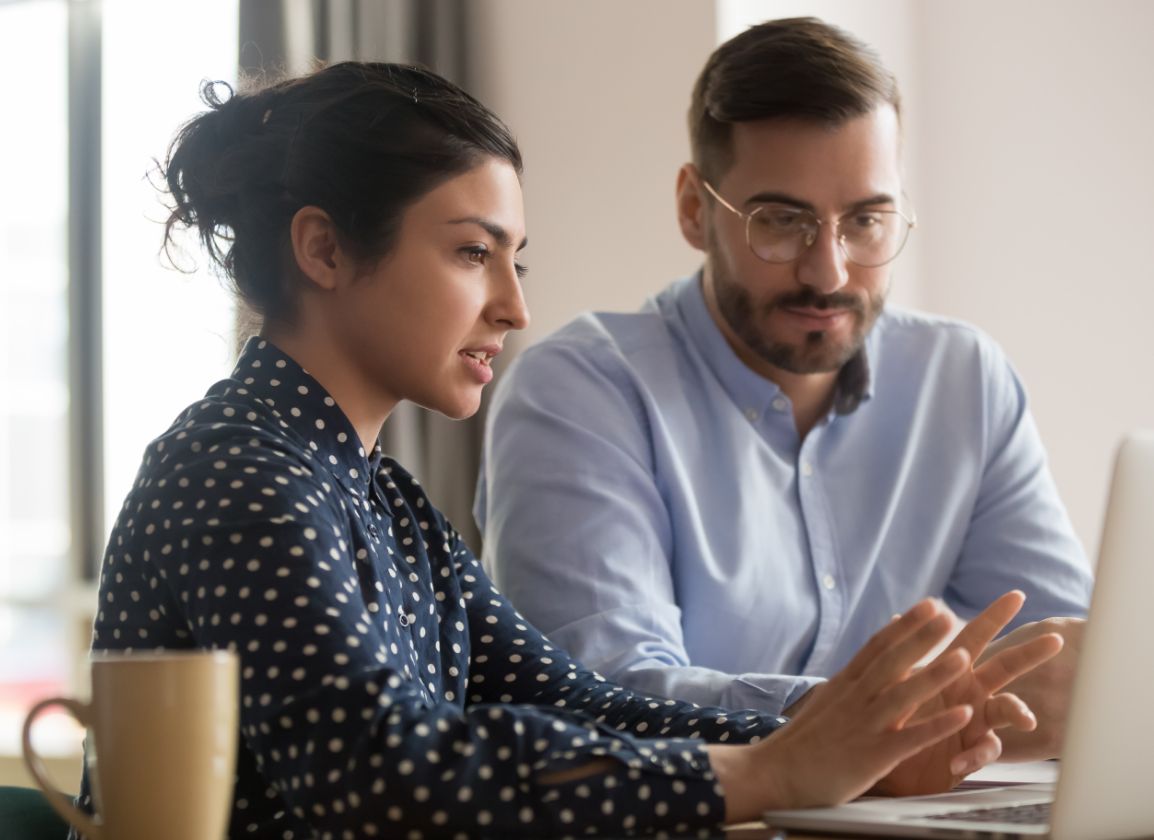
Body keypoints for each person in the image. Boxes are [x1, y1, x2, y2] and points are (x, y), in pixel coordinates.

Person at [76, 61, 1062, 839]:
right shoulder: (237, 472)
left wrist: (851, 744)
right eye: (472, 252)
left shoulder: (383, 500)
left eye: (516, 259)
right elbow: (377, 779)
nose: (514, 305)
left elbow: (581, 707)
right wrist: (771, 771)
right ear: (324, 250)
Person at [475, 17, 1092, 763]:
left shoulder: (962, 380)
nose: (827, 271)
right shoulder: (578, 392)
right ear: (694, 209)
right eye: (782, 221)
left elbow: (1067, 666)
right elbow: (605, 696)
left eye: (866, 221)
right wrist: (875, 720)